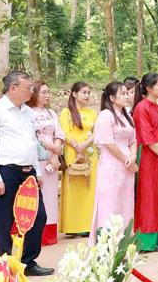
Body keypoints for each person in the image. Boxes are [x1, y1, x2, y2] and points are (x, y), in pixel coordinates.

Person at [0, 71, 53, 276]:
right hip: (5, 171)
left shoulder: (28, 113)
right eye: (28, 87)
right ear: (13, 88)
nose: (32, 90)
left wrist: (37, 171)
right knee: (4, 220)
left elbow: (32, 143)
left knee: (38, 217)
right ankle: (6, 265)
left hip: (28, 172)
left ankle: (28, 262)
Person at [91, 81, 137, 243]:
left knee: (125, 202)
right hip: (111, 164)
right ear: (112, 97)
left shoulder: (127, 116)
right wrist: (126, 159)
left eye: (127, 93)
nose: (127, 96)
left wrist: (132, 157)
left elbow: (133, 140)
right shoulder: (105, 115)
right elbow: (108, 143)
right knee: (110, 203)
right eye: (123, 93)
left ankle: (124, 242)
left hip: (127, 166)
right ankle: (106, 243)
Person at [133, 73, 158, 252]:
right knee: (148, 195)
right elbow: (147, 137)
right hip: (150, 158)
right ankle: (146, 241)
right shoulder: (142, 108)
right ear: (149, 88)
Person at [29, 81, 65, 246]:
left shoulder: (52, 113)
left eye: (48, 92)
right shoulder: (28, 113)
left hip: (52, 158)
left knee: (50, 196)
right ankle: (36, 233)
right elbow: (34, 135)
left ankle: (50, 233)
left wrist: (56, 150)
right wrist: (53, 149)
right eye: (43, 92)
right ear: (34, 93)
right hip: (37, 157)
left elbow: (59, 131)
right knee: (38, 194)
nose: (47, 95)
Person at [59, 82, 97, 237]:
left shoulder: (92, 113)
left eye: (89, 92)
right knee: (73, 186)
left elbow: (97, 132)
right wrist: (77, 147)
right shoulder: (66, 113)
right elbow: (65, 132)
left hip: (89, 151)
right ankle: (73, 225)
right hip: (72, 151)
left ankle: (89, 224)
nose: (87, 95)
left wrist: (84, 145)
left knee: (91, 186)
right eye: (84, 92)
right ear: (74, 94)